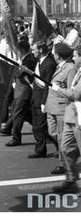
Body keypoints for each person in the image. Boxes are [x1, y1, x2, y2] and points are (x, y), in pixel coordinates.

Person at [49, 45, 81, 193]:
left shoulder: (73, 70)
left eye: (75, 56)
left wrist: (57, 89)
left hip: (78, 116)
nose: (73, 58)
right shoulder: (77, 70)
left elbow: (75, 94)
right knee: (66, 148)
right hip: (71, 114)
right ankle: (71, 179)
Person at [44, 43, 77, 175]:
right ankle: (69, 156)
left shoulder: (70, 69)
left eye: (54, 52)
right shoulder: (60, 67)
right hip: (51, 106)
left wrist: (58, 88)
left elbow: (71, 91)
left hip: (61, 107)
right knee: (52, 133)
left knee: (61, 137)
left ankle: (63, 163)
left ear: (58, 55)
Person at [29, 41, 58, 158]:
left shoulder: (49, 64)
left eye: (34, 49)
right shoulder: (40, 62)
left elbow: (47, 85)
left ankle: (42, 150)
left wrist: (43, 102)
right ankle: (42, 149)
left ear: (40, 50)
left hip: (42, 99)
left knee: (41, 127)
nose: (32, 51)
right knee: (37, 127)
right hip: (35, 98)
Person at [6, 40, 37, 146]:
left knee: (17, 115)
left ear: (22, 50)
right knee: (27, 115)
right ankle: (42, 131)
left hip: (24, 92)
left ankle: (16, 138)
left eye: (17, 50)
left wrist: (17, 71)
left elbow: (24, 74)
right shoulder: (24, 59)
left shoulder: (29, 60)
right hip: (19, 91)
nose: (16, 52)